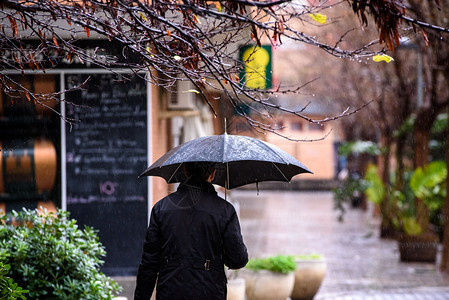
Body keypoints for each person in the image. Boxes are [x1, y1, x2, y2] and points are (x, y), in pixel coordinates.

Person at [134, 161, 248, 300]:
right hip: (209, 291)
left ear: (186, 171)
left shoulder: (161, 208)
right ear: (213, 173)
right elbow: (238, 260)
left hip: (170, 291)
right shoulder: (225, 210)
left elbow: (149, 263)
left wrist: (141, 297)